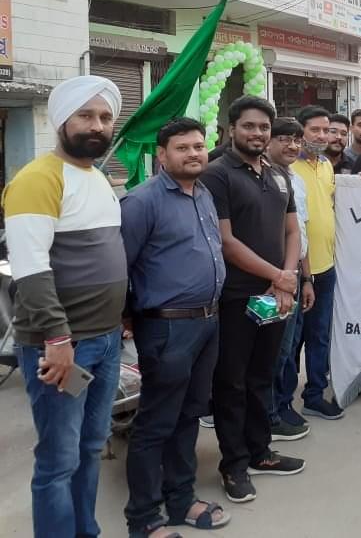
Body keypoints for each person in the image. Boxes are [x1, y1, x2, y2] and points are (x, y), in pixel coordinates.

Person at [2, 76, 126, 538]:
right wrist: (57, 339)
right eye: (86, 115)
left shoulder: (97, 179)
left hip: (106, 341)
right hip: (64, 349)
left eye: (105, 117)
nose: (97, 125)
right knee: (59, 459)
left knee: (92, 446)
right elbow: (31, 270)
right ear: (61, 121)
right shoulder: (37, 179)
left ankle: (84, 531)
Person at [120, 118, 231, 537]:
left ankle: (181, 499)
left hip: (208, 322)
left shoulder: (202, 194)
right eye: (182, 148)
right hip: (167, 330)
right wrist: (127, 316)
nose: (193, 154)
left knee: (188, 416)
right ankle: (144, 518)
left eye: (198, 146)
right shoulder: (142, 202)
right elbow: (121, 267)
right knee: (155, 423)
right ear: (162, 155)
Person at [200, 96, 304, 504]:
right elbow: (225, 241)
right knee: (232, 382)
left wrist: (288, 277)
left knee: (264, 375)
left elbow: (292, 231)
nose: (257, 133)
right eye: (249, 126)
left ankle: (261, 452)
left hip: (276, 295)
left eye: (264, 127)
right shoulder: (217, 174)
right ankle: (234, 465)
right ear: (231, 129)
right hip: (235, 297)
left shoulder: (278, 174)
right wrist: (276, 275)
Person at [291, 106, 344, 421]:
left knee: (320, 335)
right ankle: (283, 402)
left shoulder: (325, 165)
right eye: (316, 130)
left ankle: (314, 394)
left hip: (326, 267)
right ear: (300, 132)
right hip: (297, 269)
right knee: (291, 342)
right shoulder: (286, 168)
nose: (323, 136)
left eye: (328, 130)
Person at [264, 118, 316, 442]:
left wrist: (306, 278)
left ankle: (279, 407)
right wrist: (278, 278)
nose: (292, 146)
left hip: (294, 277)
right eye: (284, 139)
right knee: (269, 353)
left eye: (296, 140)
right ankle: (266, 418)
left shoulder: (295, 180)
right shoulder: (263, 178)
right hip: (270, 281)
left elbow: (301, 233)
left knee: (286, 351)